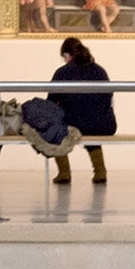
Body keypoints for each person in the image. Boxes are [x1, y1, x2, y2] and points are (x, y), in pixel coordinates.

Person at [48, 36, 115, 185]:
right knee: (91, 125)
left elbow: (51, 103)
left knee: (54, 131)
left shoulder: (62, 73)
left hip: (74, 124)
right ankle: (100, 171)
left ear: (67, 55)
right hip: (103, 125)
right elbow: (108, 98)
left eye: (63, 57)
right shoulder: (99, 71)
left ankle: (64, 172)